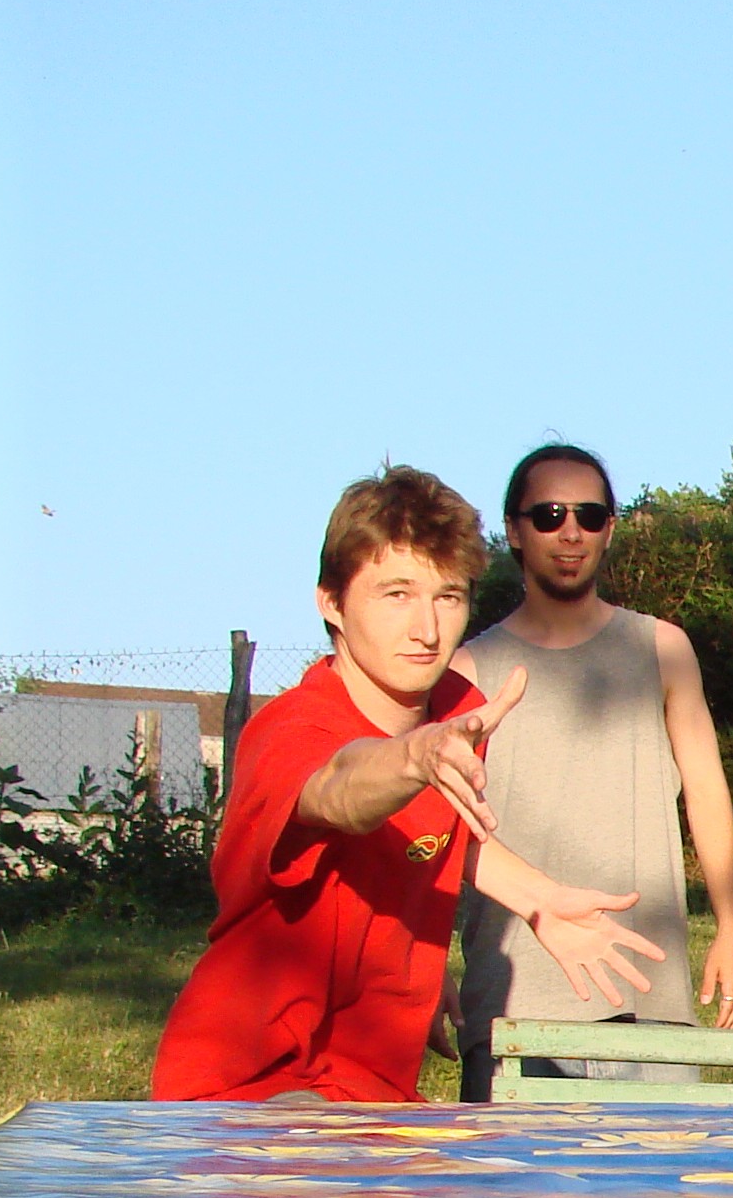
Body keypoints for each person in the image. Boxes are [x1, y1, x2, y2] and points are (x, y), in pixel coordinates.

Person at [151, 466, 664, 1103]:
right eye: (396, 594)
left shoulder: (456, 708)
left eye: (448, 596)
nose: (427, 629)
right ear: (331, 602)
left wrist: (540, 899)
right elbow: (339, 790)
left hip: (372, 1088)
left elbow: (441, 832)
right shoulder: (290, 730)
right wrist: (415, 756)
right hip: (253, 1088)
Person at [452, 443, 733, 1095]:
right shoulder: (466, 672)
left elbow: (705, 791)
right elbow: (436, 834)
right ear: (514, 531)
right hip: (515, 1007)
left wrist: (729, 926)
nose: (570, 533)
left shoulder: (662, 649)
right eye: (549, 514)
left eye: (588, 515)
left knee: (662, 1168)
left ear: (609, 529)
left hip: (651, 1001)